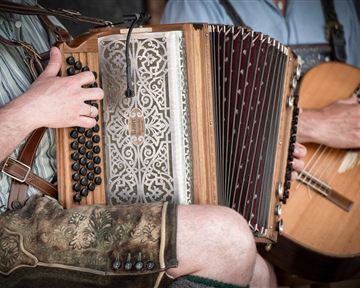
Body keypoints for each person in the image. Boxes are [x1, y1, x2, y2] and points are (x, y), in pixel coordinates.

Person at [0, 1, 308, 288]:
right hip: (12, 225)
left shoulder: (33, 15)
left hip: (65, 201)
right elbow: (41, 108)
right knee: (225, 238)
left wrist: (261, 167)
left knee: (260, 274)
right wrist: (31, 110)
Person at [161, 0, 360, 150]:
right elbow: (182, 126)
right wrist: (308, 125)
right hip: (246, 195)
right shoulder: (194, 5)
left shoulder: (339, 4)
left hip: (339, 184)